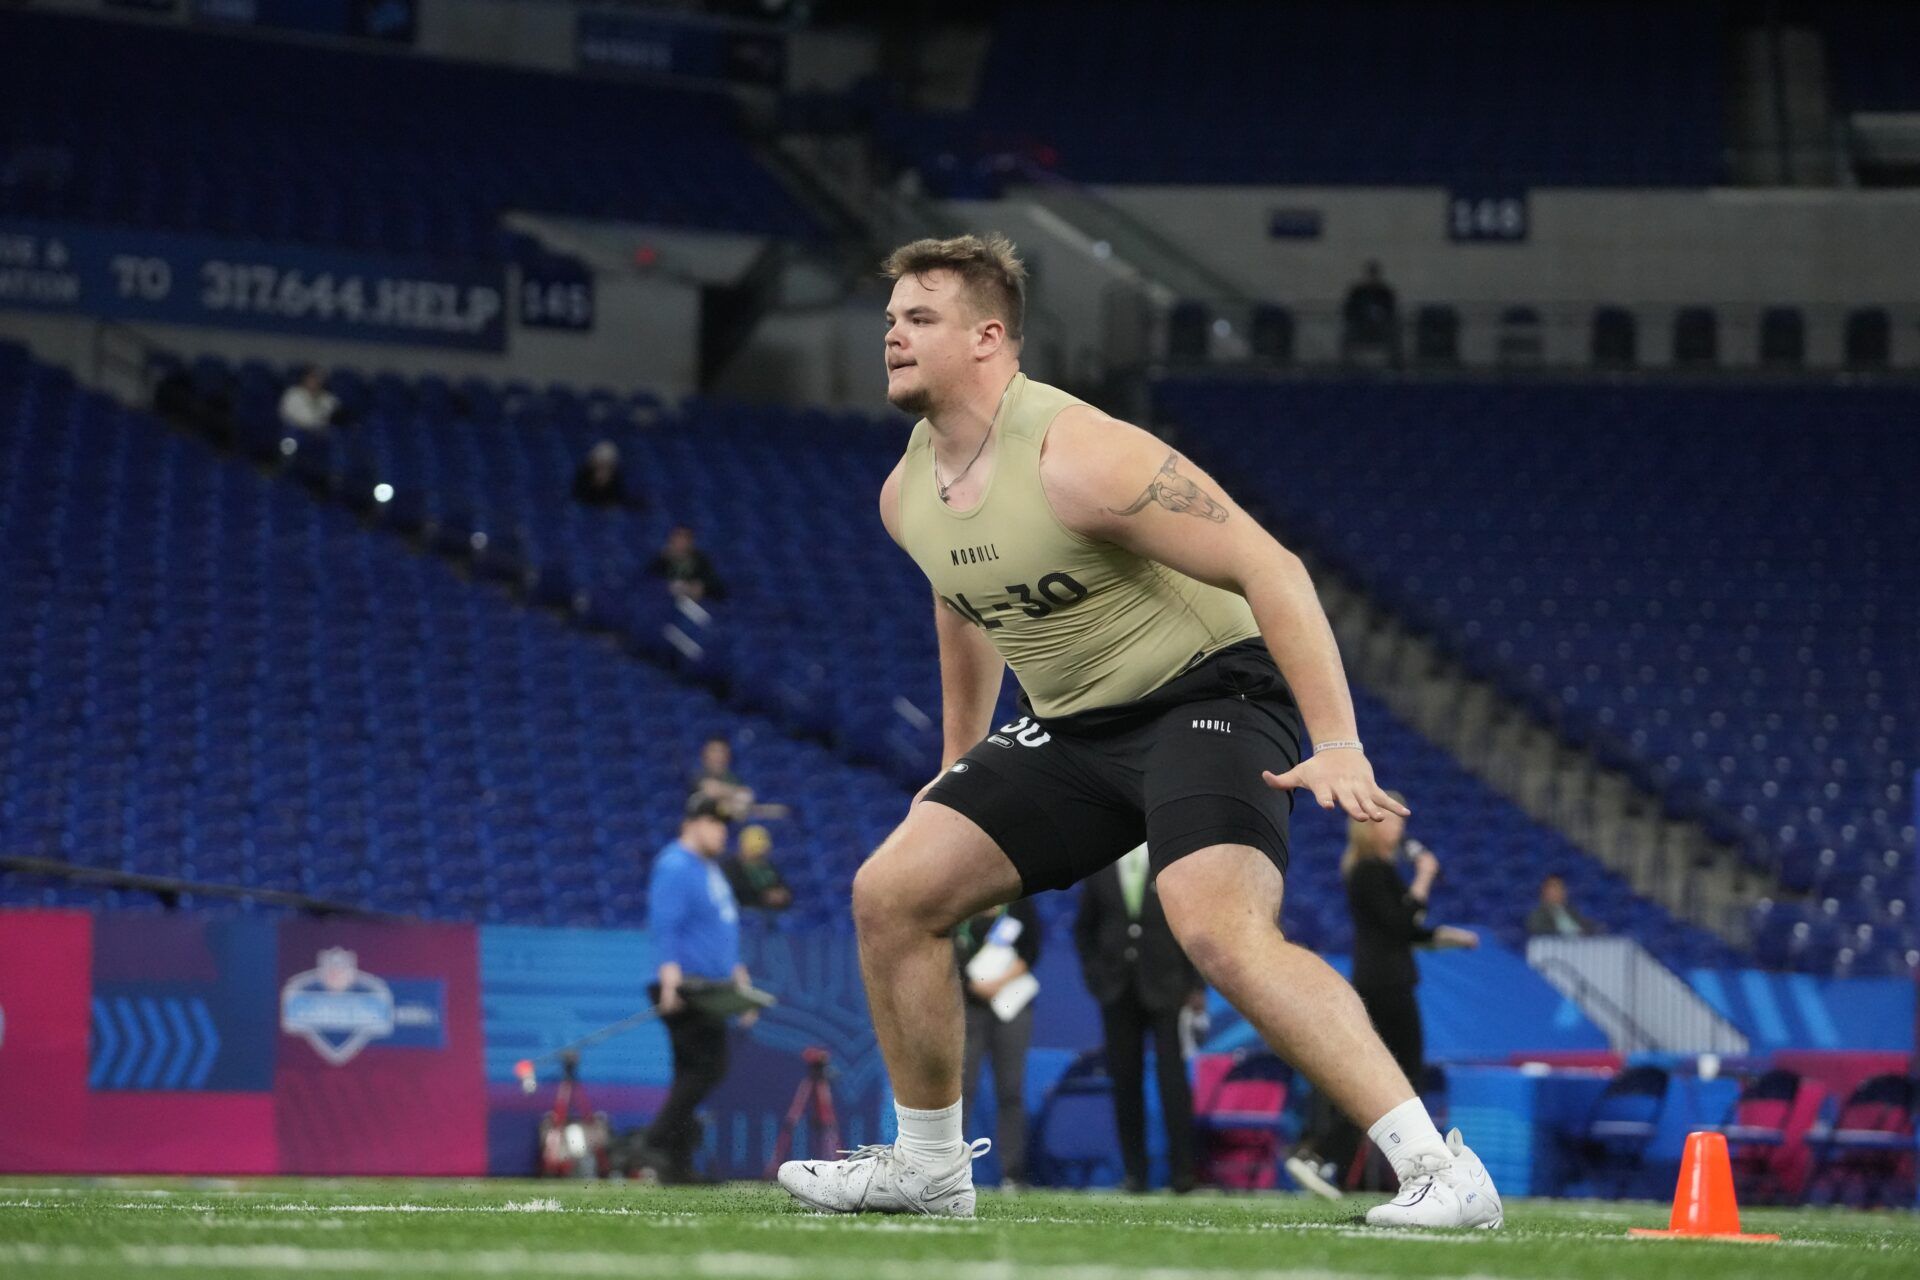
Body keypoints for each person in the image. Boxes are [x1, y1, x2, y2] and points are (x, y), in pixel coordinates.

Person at [775, 233, 1503, 1228]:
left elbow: (1274, 567)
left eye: (920, 317)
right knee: (892, 893)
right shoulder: (908, 495)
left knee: (1216, 925)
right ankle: (929, 1167)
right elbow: (966, 606)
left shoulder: (1084, 454)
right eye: (891, 317)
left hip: (1212, 693)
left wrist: (1339, 740)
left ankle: (1440, 1169)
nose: (892, 334)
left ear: (989, 338)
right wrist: (955, 762)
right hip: (1073, 726)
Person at [1287, 809, 1478, 1199]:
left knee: (1387, 1077)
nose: (1400, 828)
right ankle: (1326, 1154)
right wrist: (1423, 878)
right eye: (1391, 820)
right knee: (1401, 1077)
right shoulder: (1370, 870)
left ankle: (1328, 1159)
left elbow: (1403, 930)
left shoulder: (1377, 871)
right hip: (1386, 986)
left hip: (1382, 981)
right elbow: (1399, 924)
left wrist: (1443, 937)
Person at [639, 794, 757, 1184]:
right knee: (708, 1067)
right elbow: (665, 924)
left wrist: (739, 979)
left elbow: (720, 931)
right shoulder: (676, 865)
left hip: (713, 987)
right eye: (715, 823)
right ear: (692, 824)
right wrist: (670, 976)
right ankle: (655, 1140)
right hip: (688, 988)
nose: (722, 832)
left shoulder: (710, 870)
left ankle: (676, 1163)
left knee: (690, 1071)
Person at [1075, 842, 1204, 1193]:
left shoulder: (1172, 857)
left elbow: (1193, 923)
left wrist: (1194, 985)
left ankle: (1182, 1174)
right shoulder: (1100, 863)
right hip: (1117, 991)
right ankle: (1136, 1174)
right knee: (1124, 1081)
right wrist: (1096, 976)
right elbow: (1084, 928)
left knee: (1172, 1081)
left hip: (1167, 986)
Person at [953, 897, 1042, 1189]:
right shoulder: (961, 902)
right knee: (961, 1090)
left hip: (1011, 1003)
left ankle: (1012, 1173)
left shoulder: (1019, 903)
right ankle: (949, 1169)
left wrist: (1000, 981)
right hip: (968, 1006)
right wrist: (972, 983)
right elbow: (947, 950)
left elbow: (1032, 946)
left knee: (1011, 1089)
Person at [1340, 261, 1401, 367]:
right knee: (1347, 334)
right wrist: (1360, 317)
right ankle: (1346, 366)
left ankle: (1395, 366)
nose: (1372, 277)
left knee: (1393, 333)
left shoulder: (1385, 292)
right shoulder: (1358, 292)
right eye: (1370, 274)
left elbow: (1392, 311)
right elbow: (1348, 310)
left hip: (1381, 327)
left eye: (1374, 274)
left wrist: (1381, 316)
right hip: (1360, 326)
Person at [722, 823, 793, 913]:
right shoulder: (731, 867)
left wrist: (782, 895)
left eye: (761, 852)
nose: (759, 856)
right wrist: (763, 897)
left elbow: (783, 886)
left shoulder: (767, 865)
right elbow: (733, 894)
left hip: (771, 912)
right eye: (755, 851)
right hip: (747, 915)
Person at [648, 524, 726, 601]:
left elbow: (718, 590)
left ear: (691, 543)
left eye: (685, 538)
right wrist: (666, 588)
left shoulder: (701, 561)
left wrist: (702, 589)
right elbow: (649, 583)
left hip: (694, 606)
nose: (680, 543)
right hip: (665, 605)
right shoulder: (661, 561)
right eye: (677, 538)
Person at [573, 440, 641, 509]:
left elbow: (617, 501)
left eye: (608, 466)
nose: (603, 469)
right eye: (601, 465)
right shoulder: (582, 481)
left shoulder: (616, 484)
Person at [1526, 873, 1598, 938]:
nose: (1558, 891)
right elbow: (1539, 930)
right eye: (1554, 888)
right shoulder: (1538, 914)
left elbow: (1585, 926)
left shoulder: (1572, 911)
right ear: (1544, 892)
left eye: (1561, 888)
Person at [278, 365, 340, 432]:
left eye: (319, 378)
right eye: (313, 377)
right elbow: (304, 419)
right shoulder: (293, 394)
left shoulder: (328, 398)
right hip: (297, 431)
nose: (316, 381)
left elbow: (335, 414)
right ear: (305, 378)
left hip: (321, 434)